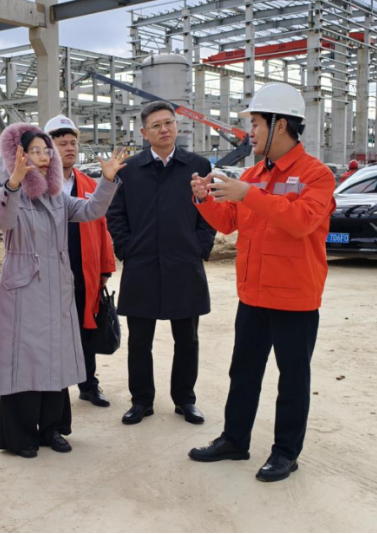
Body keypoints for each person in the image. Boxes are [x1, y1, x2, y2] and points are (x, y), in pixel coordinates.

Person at [188, 83, 337, 483]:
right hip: (253, 295)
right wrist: (205, 200)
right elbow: (229, 223)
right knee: (244, 373)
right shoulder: (253, 175)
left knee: (292, 380)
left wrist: (247, 194)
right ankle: (234, 440)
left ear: (280, 125)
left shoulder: (317, 175)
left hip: (295, 298)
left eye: (255, 123)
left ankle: (285, 453)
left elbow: (301, 221)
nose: (248, 132)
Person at [0, 123, 125, 459]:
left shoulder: (58, 197)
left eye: (46, 151)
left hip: (57, 287)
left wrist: (106, 182)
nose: (44, 157)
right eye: (35, 151)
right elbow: (1, 222)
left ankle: (52, 429)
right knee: (24, 362)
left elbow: (91, 211)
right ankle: (20, 436)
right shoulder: (8, 193)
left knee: (55, 359)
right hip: (24, 288)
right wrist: (14, 183)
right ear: (16, 156)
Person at [107, 102, 216, 427]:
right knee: (140, 341)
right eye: (156, 125)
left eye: (168, 122)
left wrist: (199, 246)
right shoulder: (130, 169)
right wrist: (127, 249)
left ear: (177, 126)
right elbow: (116, 214)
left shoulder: (197, 166)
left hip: (184, 265)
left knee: (187, 339)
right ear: (144, 133)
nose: (164, 129)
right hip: (142, 266)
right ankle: (141, 401)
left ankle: (185, 399)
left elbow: (210, 210)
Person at [45, 115, 117, 409]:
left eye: (73, 143)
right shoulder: (36, 185)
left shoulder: (88, 183)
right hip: (50, 273)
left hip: (83, 270)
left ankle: (89, 385)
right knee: (55, 331)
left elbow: (102, 227)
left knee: (86, 328)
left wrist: (105, 268)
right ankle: (55, 388)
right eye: (62, 143)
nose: (70, 148)